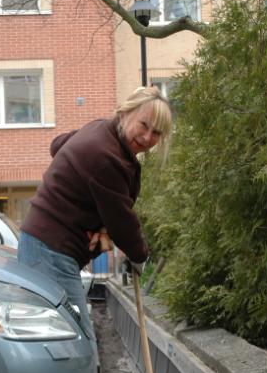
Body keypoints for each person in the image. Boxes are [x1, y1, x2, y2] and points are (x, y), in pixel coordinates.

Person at [17, 86, 172, 339]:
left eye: (156, 133)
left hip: (45, 248)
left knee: (62, 339)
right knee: (75, 340)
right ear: (126, 113)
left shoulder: (100, 131)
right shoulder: (107, 155)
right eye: (144, 125)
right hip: (51, 253)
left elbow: (58, 145)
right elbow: (121, 219)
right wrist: (139, 256)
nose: (147, 137)